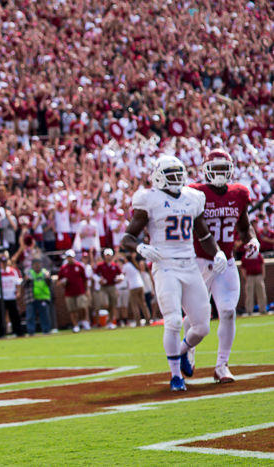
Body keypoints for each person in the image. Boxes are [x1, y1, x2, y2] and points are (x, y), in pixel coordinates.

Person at [121, 155, 227, 392]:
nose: (176, 179)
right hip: (165, 265)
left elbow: (204, 234)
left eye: (179, 174)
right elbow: (127, 237)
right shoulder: (150, 199)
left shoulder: (192, 198)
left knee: (202, 326)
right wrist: (140, 247)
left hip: (189, 264)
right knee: (173, 320)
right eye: (171, 174)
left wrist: (217, 253)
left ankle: (182, 351)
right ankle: (175, 376)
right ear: (158, 176)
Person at [185, 149, 260, 383]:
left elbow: (244, 224)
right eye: (215, 168)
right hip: (199, 260)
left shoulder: (238, 193)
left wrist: (252, 239)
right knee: (196, 316)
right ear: (206, 170)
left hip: (226, 261)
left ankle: (222, 365)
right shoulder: (195, 193)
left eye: (222, 169)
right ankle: (187, 348)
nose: (219, 173)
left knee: (228, 311)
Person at [0, 251, 24, 337]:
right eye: (2, 262)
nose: (3, 264)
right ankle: (1, 333)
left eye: (5, 262)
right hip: (1, 297)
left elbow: (18, 283)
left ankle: (18, 332)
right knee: (0, 316)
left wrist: (18, 292)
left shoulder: (12, 271)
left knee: (14, 315)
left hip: (11, 296)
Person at [58, 250, 89, 333]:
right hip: (69, 292)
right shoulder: (63, 268)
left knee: (82, 306)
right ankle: (75, 325)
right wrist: (62, 282)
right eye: (68, 257)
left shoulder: (79, 266)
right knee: (72, 310)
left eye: (70, 257)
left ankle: (84, 321)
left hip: (80, 291)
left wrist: (86, 290)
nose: (69, 259)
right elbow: (59, 281)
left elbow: (85, 279)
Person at [94, 248, 122, 329]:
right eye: (107, 255)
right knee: (105, 304)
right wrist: (99, 280)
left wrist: (120, 278)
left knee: (113, 305)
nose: (108, 257)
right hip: (104, 287)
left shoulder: (114, 265)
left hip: (112, 286)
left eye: (109, 255)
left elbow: (120, 274)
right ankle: (106, 319)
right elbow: (95, 275)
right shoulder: (100, 265)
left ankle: (110, 322)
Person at [25, 259, 52, 335]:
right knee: (30, 316)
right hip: (31, 298)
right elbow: (24, 285)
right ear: (32, 265)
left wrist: (48, 278)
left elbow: (50, 284)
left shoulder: (45, 272)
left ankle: (46, 331)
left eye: (38, 264)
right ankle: (31, 332)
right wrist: (27, 280)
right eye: (35, 264)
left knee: (44, 316)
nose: (37, 266)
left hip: (43, 297)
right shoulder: (29, 273)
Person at [241, 250, 267, 315]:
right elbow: (243, 268)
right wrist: (246, 277)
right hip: (249, 276)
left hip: (259, 276)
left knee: (261, 293)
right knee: (249, 295)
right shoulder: (245, 257)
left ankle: (263, 309)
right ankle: (249, 311)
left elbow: (262, 264)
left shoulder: (258, 255)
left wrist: (263, 275)